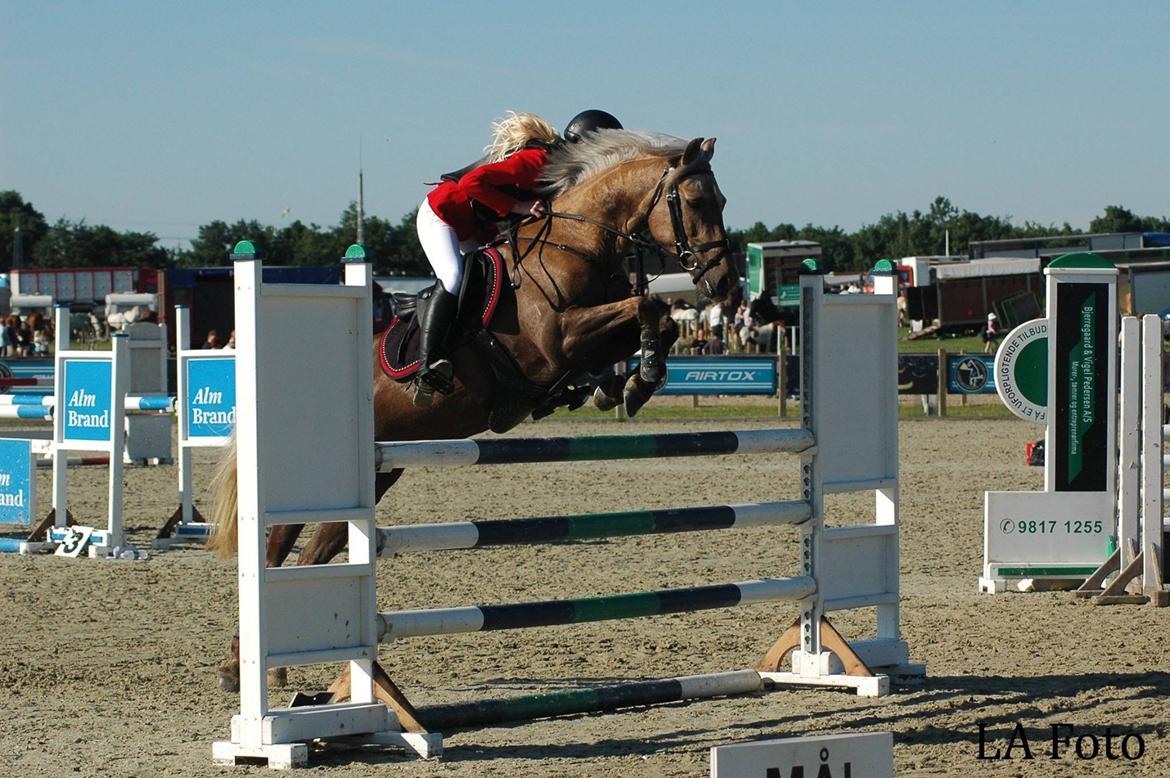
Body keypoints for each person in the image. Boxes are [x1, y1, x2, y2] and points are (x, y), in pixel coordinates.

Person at [412, 109, 622, 407]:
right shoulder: (539, 161)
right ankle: (427, 364)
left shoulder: (562, 174)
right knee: (453, 277)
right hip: (442, 213)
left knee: (501, 287)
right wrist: (520, 208)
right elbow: (472, 183)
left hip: (472, 227)